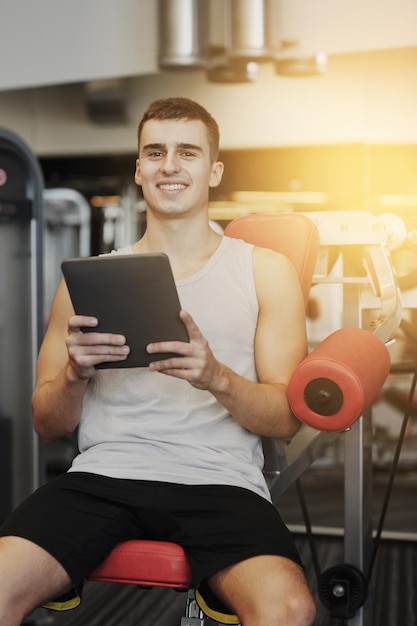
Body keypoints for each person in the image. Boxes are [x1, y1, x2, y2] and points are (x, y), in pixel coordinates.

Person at [0, 97, 316, 626]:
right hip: (104, 475)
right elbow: (46, 422)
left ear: (213, 170)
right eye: (155, 152)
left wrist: (216, 377)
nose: (170, 165)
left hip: (219, 481)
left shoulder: (265, 271)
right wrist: (75, 376)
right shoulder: (86, 281)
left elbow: (285, 418)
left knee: (290, 610)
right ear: (139, 168)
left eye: (187, 152)